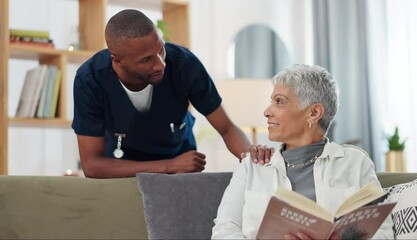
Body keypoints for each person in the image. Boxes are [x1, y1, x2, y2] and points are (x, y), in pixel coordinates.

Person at [211, 64, 393, 239]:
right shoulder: (253, 166)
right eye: (271, 102)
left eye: (279, 102)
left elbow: (382, 232)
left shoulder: (354, 163)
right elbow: (224, 230)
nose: (267, 112)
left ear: (313, 113)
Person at [72, 9, 254, 178]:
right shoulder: (90, 80)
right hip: (123, 174)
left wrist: (253, 159)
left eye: (161, 50)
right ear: (118, 61)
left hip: (180, 171)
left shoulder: (185, 65)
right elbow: (92, 165)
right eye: (146, 59)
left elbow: (227, 129)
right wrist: (169, 165)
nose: (161, 64)